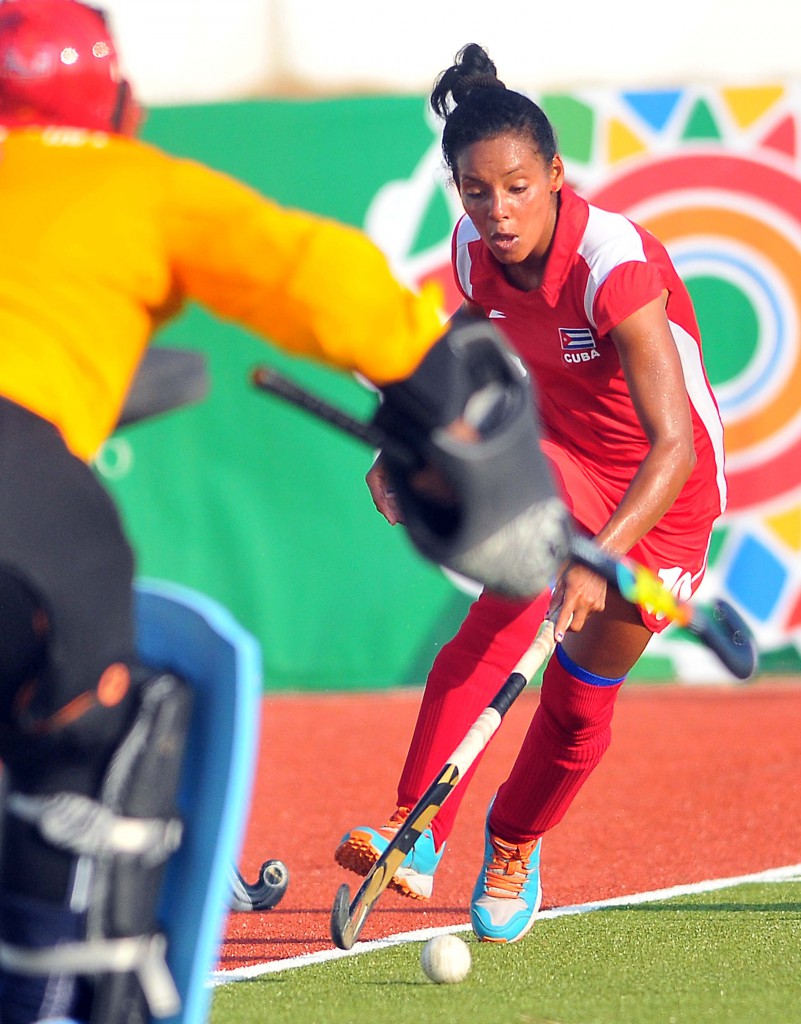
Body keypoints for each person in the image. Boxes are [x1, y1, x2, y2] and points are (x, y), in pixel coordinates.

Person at [0, 7, 562, 1023]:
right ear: (114, 100)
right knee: (90, 742)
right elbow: (322, 280)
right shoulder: (133, 184)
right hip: (20, 485)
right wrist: (450, 401)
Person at [336, 43, 727, 944]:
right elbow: (467, 351)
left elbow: (671, 444)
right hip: (556, 455)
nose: (497, 212)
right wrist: (409, 442)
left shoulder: (611, 264)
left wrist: (607, 562)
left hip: (662, 489)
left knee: (581, 699)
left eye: (516, 187)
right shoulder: (474, 250)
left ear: (555, 174)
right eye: (476, 191)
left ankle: (513, 844)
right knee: (503, 613)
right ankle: (415, 830)